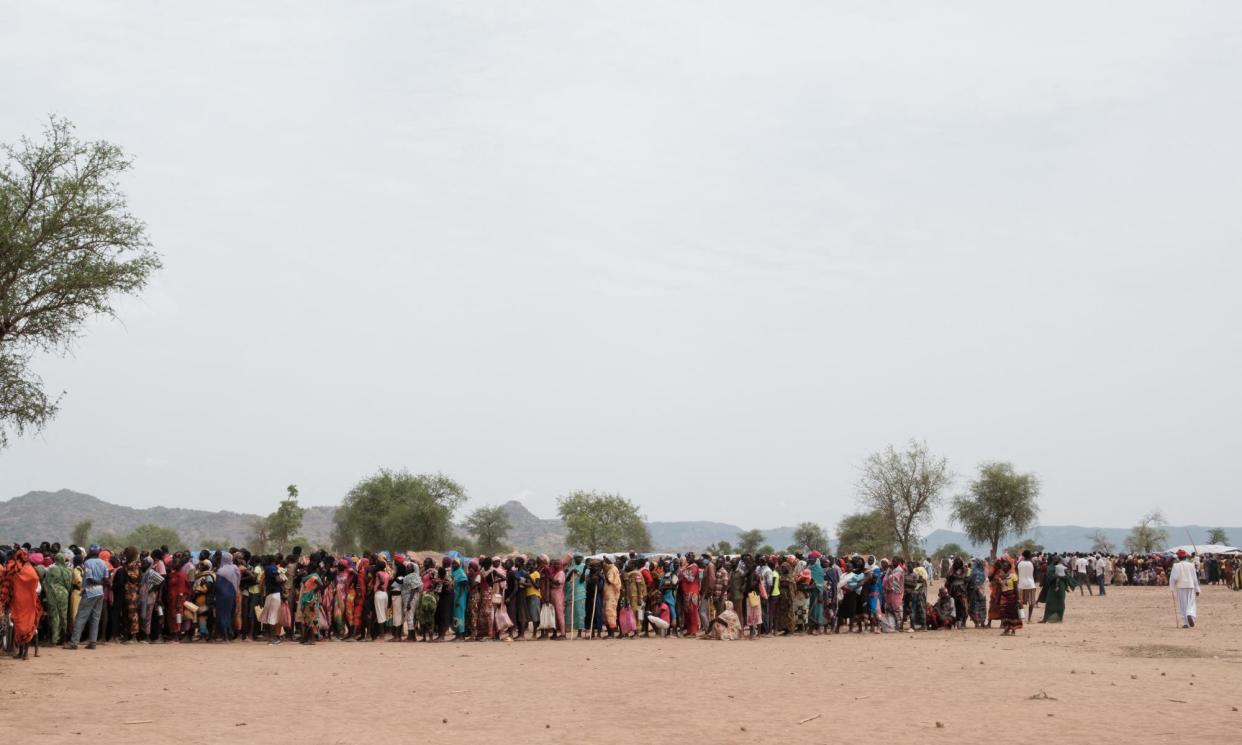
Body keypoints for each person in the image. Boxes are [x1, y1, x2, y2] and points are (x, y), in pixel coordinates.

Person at [3, 549, 42, 659]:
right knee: (26, 626)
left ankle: (23, 653)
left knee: (20, 626)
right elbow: (35, 580)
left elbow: (8, 578)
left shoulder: (16, 569)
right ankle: (23, 653)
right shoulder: (29, 570)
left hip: (21, 602)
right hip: (27, 602)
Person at [1169, 549, 1200, 628]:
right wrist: (1197, 589)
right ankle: (1190, 614)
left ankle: (1186, 623)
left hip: (1180, 586)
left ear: (1178, 558)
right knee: (1191, 603)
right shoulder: (1191, 565)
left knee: (1183, 604)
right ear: (1185, 556)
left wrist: (1172, 587)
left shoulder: (1176, 566)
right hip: (1190, 586)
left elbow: (1173, 578)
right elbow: (1194, 578)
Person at [1040, 557, 1076, 623]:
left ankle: (1059, 618)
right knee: (1050, 602)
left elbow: (1068, 577)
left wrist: (1063, 578)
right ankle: (1046, 618)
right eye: (1054, 559)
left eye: (1056, 559)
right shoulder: (1051, 568)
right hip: (1053, 587)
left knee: (1060, 602)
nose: (1055, 560)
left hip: (1060, 586)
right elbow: (1049, 577)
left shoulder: (1060, 568)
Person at [992, 558, 1022, 635]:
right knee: (1004, 614)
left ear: (1009, 567)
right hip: (1004, 598)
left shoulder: (1013, 576)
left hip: (1012, 597)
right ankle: (1006, 629)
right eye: (1003, 566)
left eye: (1005, 566)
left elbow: (1016, 589)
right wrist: (997, 600)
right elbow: (999, 590)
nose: (1003, 567)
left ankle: (1013, 630)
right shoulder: (1000, 577)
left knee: (1012, 614)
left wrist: (1018, 599)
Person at [1017, 550, 1038, 622]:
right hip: (1031, 584)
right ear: (1029, 556)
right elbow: (1035, 573)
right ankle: (1029, 619)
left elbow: (1017, 573)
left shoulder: (1019, 563)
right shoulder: (1032, 563)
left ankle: (1021, 617)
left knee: (1020, 602)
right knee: (1031, 602)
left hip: (1021, 584)